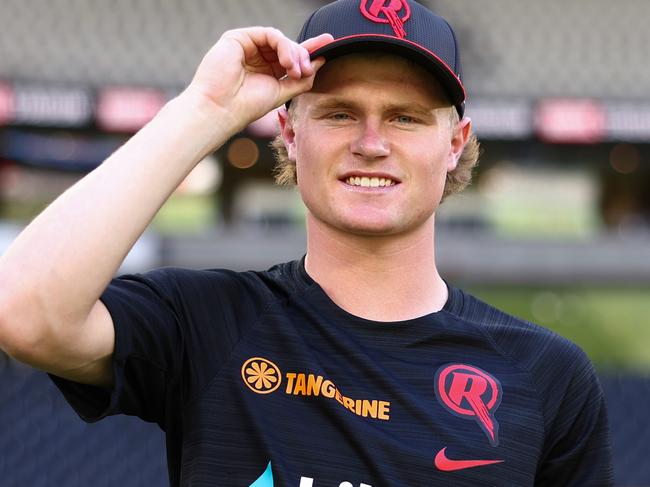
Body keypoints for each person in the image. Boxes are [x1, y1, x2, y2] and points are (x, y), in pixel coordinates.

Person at [0, 0, 613, 485]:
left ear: (455, 143)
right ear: (290, 133)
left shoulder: (545, 377)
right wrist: (206, 109)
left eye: (405, 116)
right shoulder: (212, 323)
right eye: (340, 113)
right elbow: (25, 312)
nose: (371, 142)